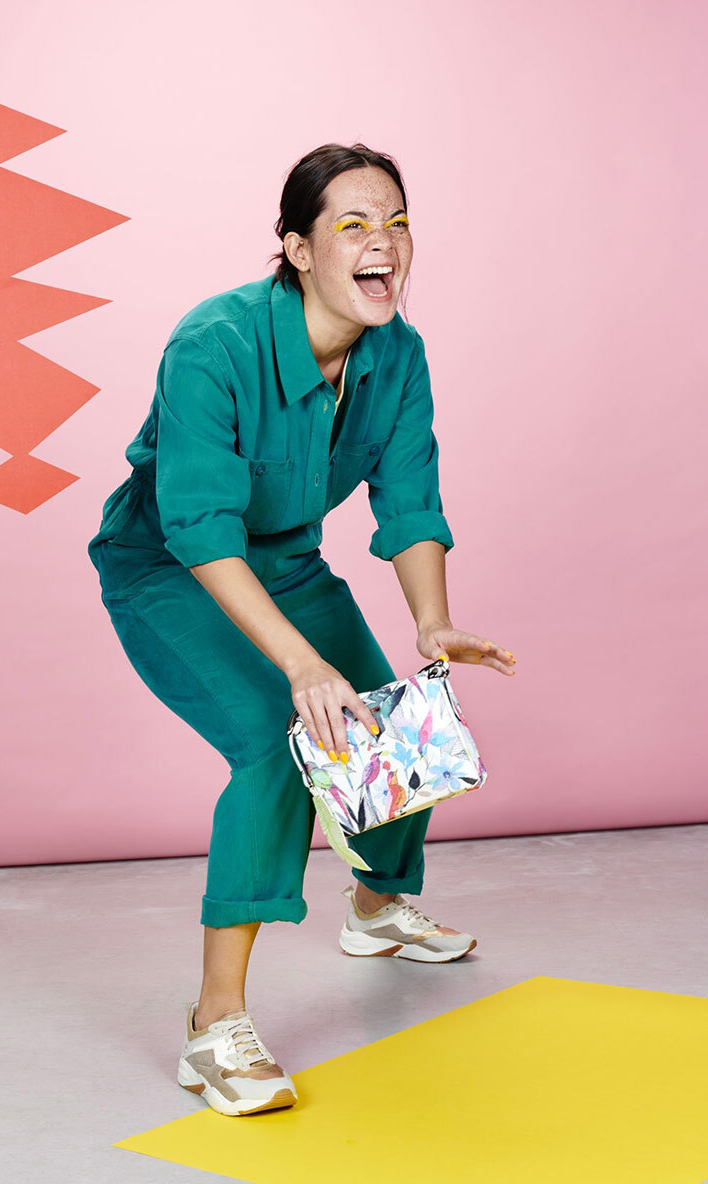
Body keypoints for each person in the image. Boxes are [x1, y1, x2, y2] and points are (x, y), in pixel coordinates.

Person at [87, 142, 517, 1117]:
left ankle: (375, 907)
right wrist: (299, 664)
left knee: (397, 725)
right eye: (352, 225)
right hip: (171, 567)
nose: (383, 243)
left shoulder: (396, 352)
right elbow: (199, 527)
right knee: (279, 743)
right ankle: (215, 1024)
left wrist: (433, 621)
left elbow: (408, 497)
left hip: (285, 562)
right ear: (296, 248)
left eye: (396, 222)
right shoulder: (214, 344)